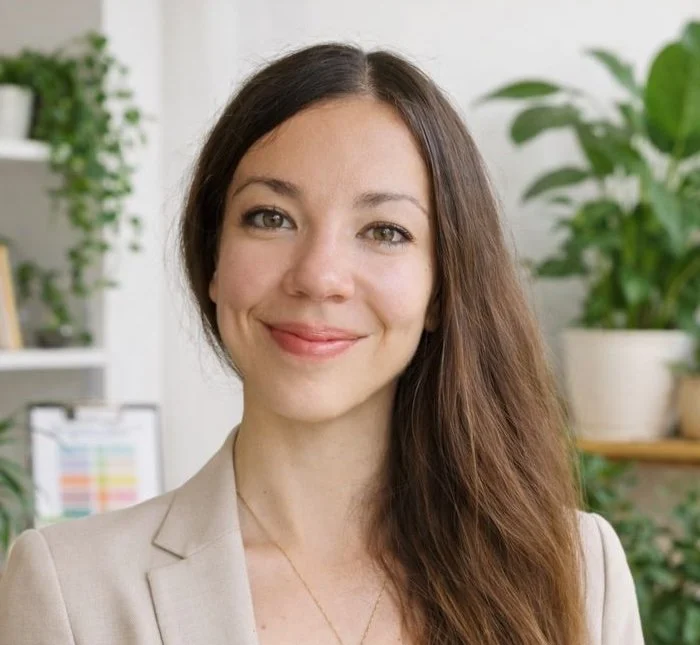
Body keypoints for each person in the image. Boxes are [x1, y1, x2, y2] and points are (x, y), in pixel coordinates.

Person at [0, 42, 644, 645]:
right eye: (270, 217)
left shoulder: (579, 570)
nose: (318, 276)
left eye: (385, 231)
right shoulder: (70, 590)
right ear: (214, 258)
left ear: (443, 289)